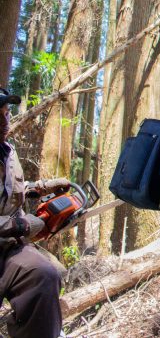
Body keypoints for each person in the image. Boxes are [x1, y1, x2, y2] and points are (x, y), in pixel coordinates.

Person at [0, 88, 70, 338]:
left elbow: (8, 191)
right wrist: (22, 225)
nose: (5, 119)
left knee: (43, 275)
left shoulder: (7, 152)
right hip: (10, 234)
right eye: (0, 113)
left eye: (7, 112)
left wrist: (39, 189)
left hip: (8, 248)